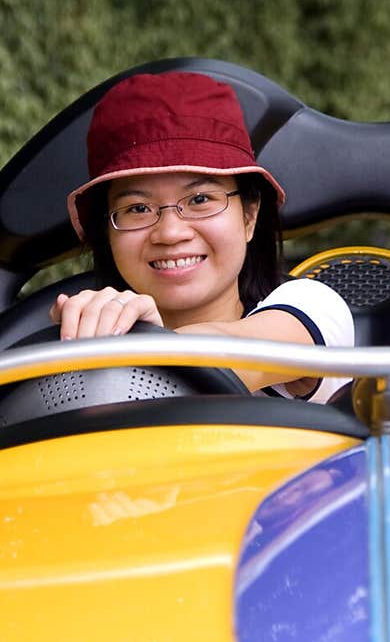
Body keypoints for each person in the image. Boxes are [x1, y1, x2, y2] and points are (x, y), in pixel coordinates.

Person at [49, 70, 354, 401]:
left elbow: (218, 362)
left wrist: (154, 344)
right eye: (138, 208)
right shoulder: (71, 346)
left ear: (249, 216)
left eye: (200, 200)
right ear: (107, 231)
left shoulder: (314, 309)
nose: (170, 232)